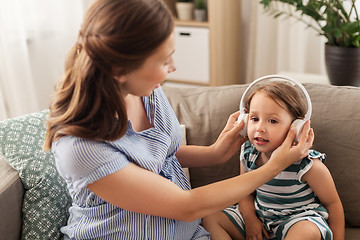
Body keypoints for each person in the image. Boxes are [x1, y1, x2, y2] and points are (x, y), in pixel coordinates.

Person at [43, 0, 314, 239]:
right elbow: (186, 206)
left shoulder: (147, 92)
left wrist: (213, 154)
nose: (173, 68)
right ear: (120, 69)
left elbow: (154, 158)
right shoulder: (80, 147)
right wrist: (274, 166)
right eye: (164, 61)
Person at [202, 81, 344, 240]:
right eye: (255, 118)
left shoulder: (308, 165)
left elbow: (333, 204)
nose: (260, 128)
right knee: (209, 218)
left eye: (272, 121)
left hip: (296, 221)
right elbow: (244, 194)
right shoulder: (249, 155)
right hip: (260, 218)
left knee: (306, 230)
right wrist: (250, 219)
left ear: (296, 128)